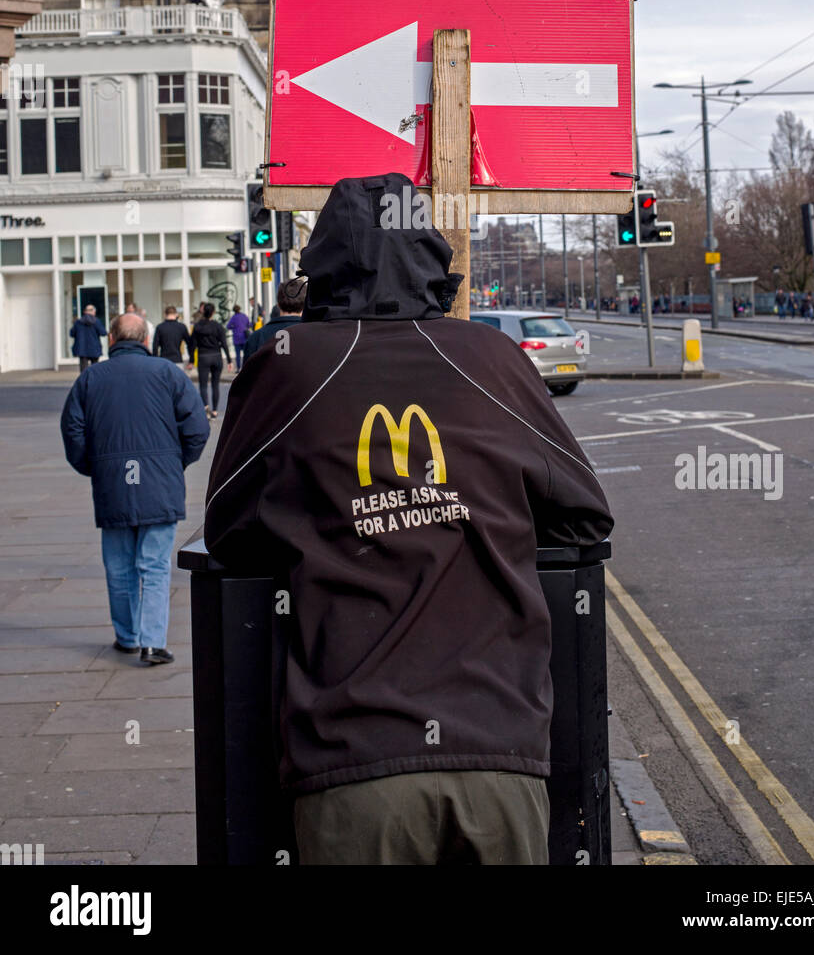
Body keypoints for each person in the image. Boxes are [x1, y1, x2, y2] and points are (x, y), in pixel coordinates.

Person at [204, 173, 613, 866]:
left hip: (349, 759)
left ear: (323, 263)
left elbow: (228, 528)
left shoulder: (287, 366)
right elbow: (583, 517)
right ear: (430, 256)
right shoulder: (491, 357)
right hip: (498, 746)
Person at [60, 312, 209, 665]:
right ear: (146, 340)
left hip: (113, 483)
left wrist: (93, 466)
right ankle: (153, 643)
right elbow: (197, 428)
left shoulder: (90, 378)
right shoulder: (169, 374)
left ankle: (127, 637)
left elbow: (72, 431)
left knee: (119, 566)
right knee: (154, 566)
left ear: (111, 339)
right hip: (159, 483)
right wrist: (176, 463)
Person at [187, 302, 232, 419]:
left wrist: (191, 360)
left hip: (203, 357)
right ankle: (216, 410)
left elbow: (192, 345)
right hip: (216, 356)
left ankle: (206, 407)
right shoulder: (217, 326)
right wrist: (229, 360)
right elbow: (224, 343)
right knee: (215, 384)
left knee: (203, 385)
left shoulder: (197, 327)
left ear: (203, 311)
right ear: (213, 312)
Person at [243, 278, 306, 360]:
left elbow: (247, 371)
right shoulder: (316, 336)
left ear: (278, 304)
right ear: (305, 304)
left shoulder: (256, 338)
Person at [69, 305, 106, 373]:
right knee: (95, 369)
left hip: (82, 349)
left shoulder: (78, 322)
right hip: (94, 348)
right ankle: (94, 382)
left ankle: (84, 383)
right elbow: (103, 333)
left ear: (85, 312)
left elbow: (71, 334)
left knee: (83, 371)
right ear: (92, 311)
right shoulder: (96, 322)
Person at [226, 304, 251, 369]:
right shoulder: (244, 316)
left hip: (236, 339)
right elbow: (249, 325)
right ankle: (245, 367)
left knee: (238, 355)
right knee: (246, 354)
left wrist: (234, 328)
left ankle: (238, 368)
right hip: (244, 338)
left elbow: (228, 326)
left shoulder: (233, 317)